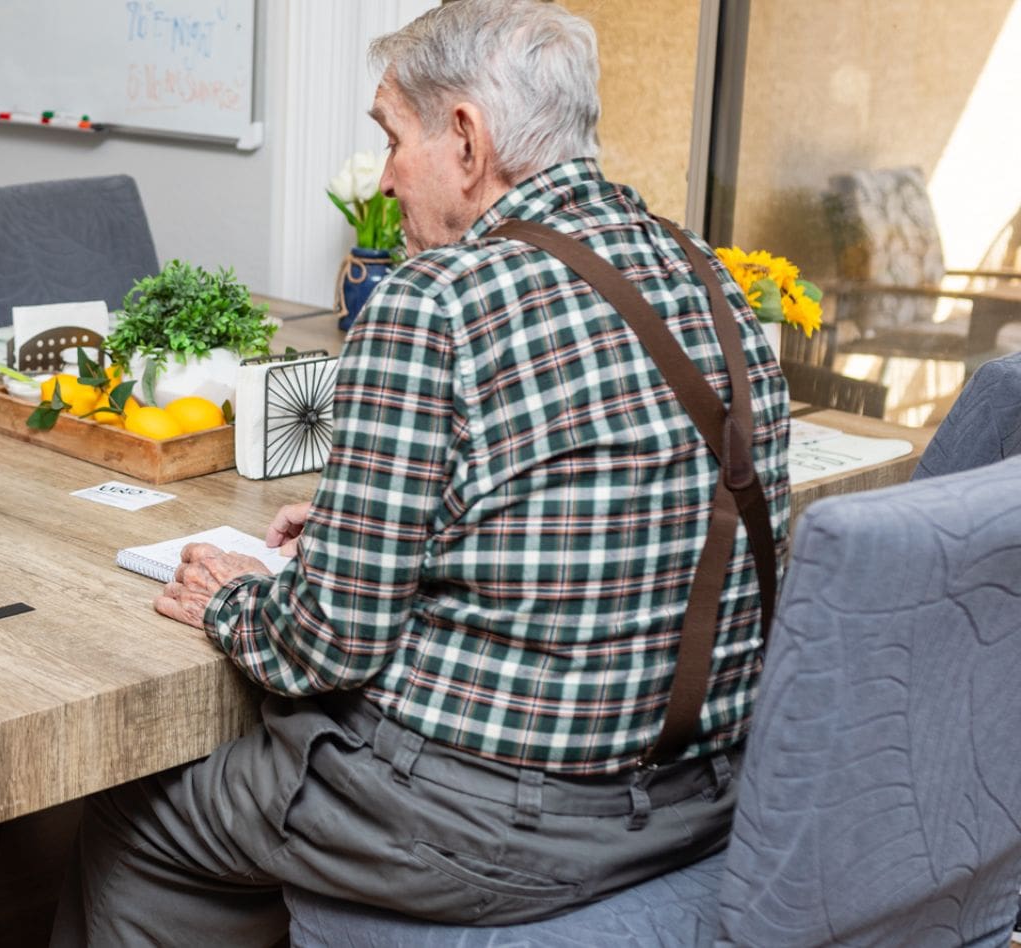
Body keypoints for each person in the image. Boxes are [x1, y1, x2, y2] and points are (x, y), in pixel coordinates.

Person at [51, 1, 791, 943]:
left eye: (392, 137)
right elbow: (611, 505)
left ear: (468, 138)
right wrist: (402, 530)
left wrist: (232, 598)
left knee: (137, 820)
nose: (389, 177)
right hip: (705, 795)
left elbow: (326, 645)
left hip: (485, 828)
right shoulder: (710, 278)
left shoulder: (432, 303)